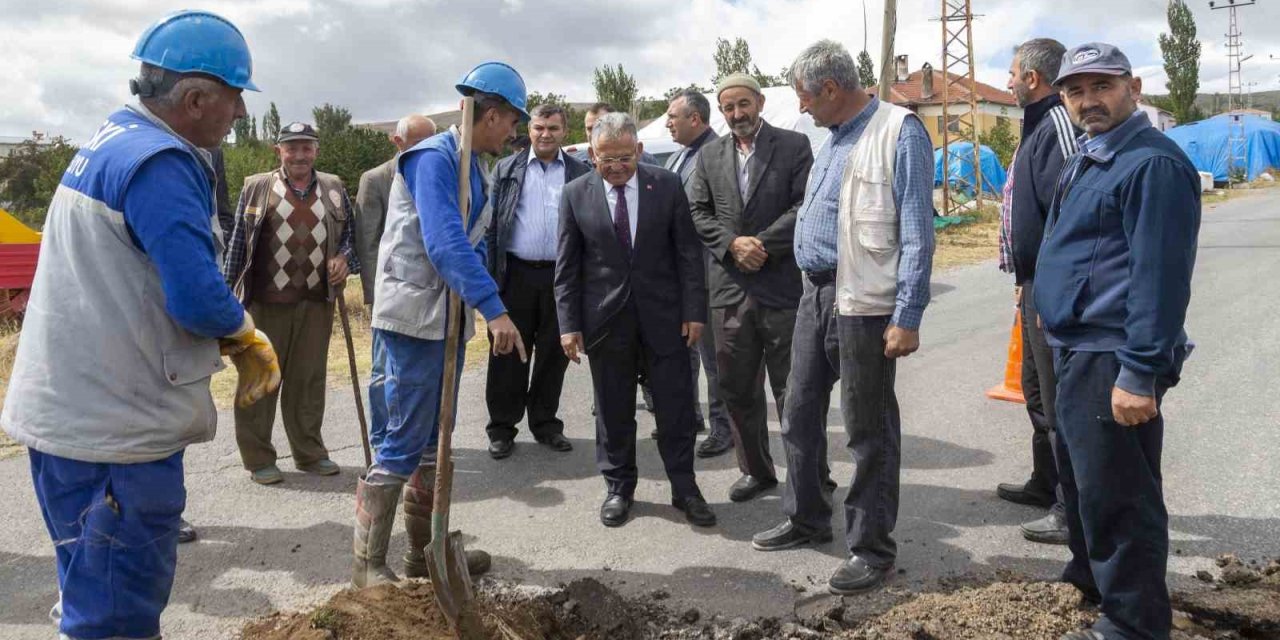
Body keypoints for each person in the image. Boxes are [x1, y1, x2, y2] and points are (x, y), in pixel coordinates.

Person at [1, 10, 280, 639]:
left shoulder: (112, 139)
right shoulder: (161, 162)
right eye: (235, 99)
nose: (239, 115)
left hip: (68, 418)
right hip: (112, 435)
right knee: (116, 616)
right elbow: (195, 294)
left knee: (87, 594)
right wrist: (244, 335)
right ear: (196, 97)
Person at [752, 40, 935, 597]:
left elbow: (918, 231)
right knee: (799, 410)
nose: (802, 109)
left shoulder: (898, 132)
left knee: (868, 429)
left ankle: (872, 548)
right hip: (815, 296)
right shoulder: (830, 139)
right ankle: (806, 516)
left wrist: (907, 313)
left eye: (806, 97)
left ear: (831, 89)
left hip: (867, 304)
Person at [1040, 43, 1200, 640]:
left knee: (1120, 495)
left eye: (1101, 86)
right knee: (1082, 481)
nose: (1089, 101)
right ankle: (1090, 580)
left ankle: (1133, 623)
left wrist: (1140, 371)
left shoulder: (1151, 164)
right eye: (1076, 91)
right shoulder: (1092, 154)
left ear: (1132, 86)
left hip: (1114, 355)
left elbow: (1159, 279)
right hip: (1076, 348)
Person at [352, 62, 529, 587]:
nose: (514, 133)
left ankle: (422, 556)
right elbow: (445, 241)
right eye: (513, 122)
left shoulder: (475, 167)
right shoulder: (433, 159)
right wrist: (493, 308)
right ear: (492, 115)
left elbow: (471, 244)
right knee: (401, 442)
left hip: (442, 321)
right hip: (411, 321)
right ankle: (367, 567)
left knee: (434, 442)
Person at [555, 112, 715, 529]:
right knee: (613, 410)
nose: (617, 167)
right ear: (592, 155)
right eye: (607, 160)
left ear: (639, 151)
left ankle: (685, 488)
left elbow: (687, 254)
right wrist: (568, 325)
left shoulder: (666, 185)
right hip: (606, 322)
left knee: (675, 408)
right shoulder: (574, 194)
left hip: (666, 320)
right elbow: (567, 268)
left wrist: (694, 311)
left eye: (625, 157)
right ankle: (619, 487)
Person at [689, 74, 812, 501]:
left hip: (779, 286)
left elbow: (805, 204)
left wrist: (762, 243)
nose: (737, 114)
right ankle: (756, 471)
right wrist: (731, 244)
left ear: (759, 102)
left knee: (792, 390)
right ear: (720, 112)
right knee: (737, 388)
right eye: (728, 108)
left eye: (744, 104)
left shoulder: (794, 147)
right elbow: (698, 211)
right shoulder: (709, 156)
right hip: (729, 290)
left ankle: (809, 475)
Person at [223, 122, 360, 485]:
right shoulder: (257, 187)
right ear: (278, 151)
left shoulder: (333, 187)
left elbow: (350, 237)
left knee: (308, 381)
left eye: (307, 147)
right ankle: (259, 459)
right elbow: (237, 245)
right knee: (260, 378)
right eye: (292, 148)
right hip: (264, 304)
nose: (300, 155)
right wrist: (226, 298)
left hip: (316, 303)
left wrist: (344, 258)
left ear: (316, 150)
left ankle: (310, 453)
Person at [996, 38, 1079, 546]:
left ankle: (1072, 509)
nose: (1006, 82)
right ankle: (1045, 482)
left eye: (1010, 73)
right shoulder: (1034, 126)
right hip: (1030, 284)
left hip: (1050, 288)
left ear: (1032, 77)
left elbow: (1067, 217)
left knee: (1059, 400)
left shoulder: (1057, 127)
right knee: (1035, 392)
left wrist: (1050, 291)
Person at [483, 103, 591, 459]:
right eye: (539, 128)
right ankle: (502, 428)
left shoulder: (579, 171)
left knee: (553, 354)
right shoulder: (506, 169)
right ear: (529, 130)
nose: (546, 135)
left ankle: (545, 424)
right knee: (507, 352)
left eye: (553, 129)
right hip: (515, 274)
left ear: (565, 131)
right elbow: (492, 226)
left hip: (562, 277)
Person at [355, 114, 436, 454]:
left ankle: (417, 439)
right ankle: (381, 438)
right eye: (416, 143)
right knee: (381, 370)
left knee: (418, 372)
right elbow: (368, 243)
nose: (423, 150)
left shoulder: (437, 173)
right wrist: (378, 297)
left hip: (428, 294)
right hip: (389, 294)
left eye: (428, 143)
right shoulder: (376, 180)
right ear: (397, 142)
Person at [663, 88, 735, 456]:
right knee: (685, 354)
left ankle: (725, 430)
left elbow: (723, 216)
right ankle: (689, 417)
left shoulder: (720, 155)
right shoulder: (679, 156)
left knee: (714, 359)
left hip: (709, 274)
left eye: (673, 116)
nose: (667, 122)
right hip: (681, 274)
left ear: (695, 118)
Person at [575, 103, 660, 167]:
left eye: (600, 127)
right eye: (589, 128)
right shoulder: (576, 164)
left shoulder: (646, 161)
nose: (594, 133)